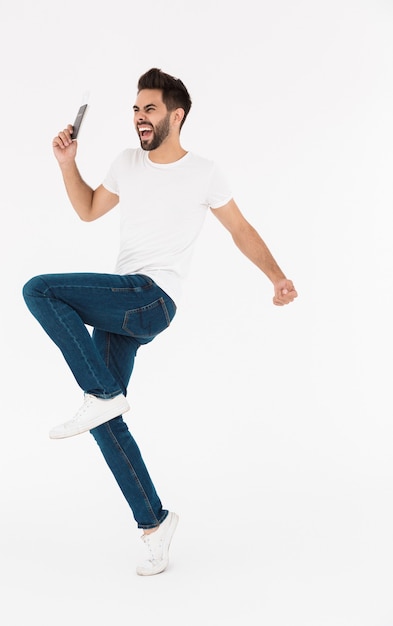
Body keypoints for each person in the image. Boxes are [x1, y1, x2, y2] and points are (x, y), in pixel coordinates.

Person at [22, 67, 298, 577]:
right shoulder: (127, 163)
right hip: (123, 299)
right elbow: (87, 210)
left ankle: (100, 395)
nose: (139, 119)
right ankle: (154, 523)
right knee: (105, 423)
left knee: (39, 289)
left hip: (152, 298)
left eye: (149, 109)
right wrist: (67, 164)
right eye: (134, 109)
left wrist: (277, 277)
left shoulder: (205, 172)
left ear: (177, 114)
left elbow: (240, 228)